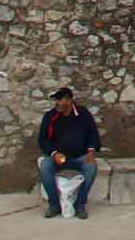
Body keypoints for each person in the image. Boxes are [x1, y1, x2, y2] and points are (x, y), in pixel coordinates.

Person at [37, 86, 102, 219]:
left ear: (68, 100)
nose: (56, 104)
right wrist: (53, 153)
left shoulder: (83, 114)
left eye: (59, 100)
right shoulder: (50, 116)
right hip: (59, 158)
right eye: (56, 100)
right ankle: (54, 204)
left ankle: (80, 205)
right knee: (45, 167)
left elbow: (93, 135)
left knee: (91, 168)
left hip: (80, 157)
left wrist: (91, 151)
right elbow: (42, 140)